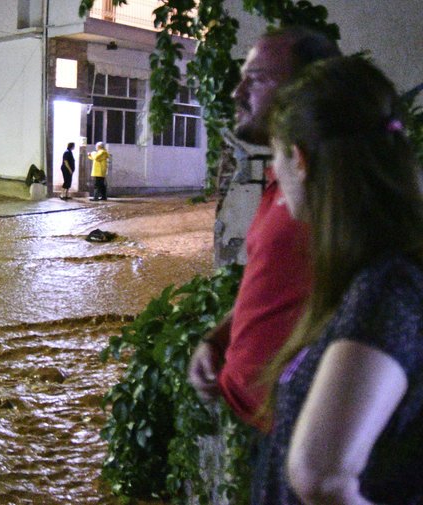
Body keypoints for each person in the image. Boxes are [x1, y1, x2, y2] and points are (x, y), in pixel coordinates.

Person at [253, 56, 423, 505]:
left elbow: (321, 476)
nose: (275, 179)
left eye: (275, 159)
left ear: (300, 161)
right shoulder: (369, 277)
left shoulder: (387, 288)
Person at [187, 26, 341, 430]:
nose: (237, 93)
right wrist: (218, 339)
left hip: (300, 431)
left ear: (306, 88)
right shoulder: (281, 181)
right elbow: (274, 284)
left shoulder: (330, 195)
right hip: (261, 423)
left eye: (255, 79)